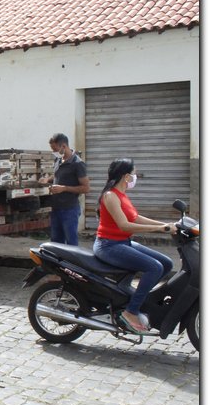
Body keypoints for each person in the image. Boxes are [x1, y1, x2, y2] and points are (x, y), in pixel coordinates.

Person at [93, 158, 174, 334]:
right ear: (126, 176)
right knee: (154, 267)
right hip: (108, 245)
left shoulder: (122, 195)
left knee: (167, 263)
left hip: (123, 242)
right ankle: (131, 311)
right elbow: (124, 225)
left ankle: (142, 298)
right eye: (134, 173)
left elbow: (136, 218)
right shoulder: (110, 196)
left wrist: (165, 225)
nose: (135, 176)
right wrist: (160, 228)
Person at [40, 133, 89, 245]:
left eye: (55, 149)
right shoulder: (59, 160)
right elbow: (58, 175)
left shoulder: (78, 164)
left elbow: (86, 188)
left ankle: (73, 262)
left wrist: (64, 188)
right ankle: (57, 263)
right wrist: (47, 179)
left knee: (71, 243)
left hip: (69, 210)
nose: (53, 152)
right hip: (56, 208)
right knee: (56, 243)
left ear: (63, 146)